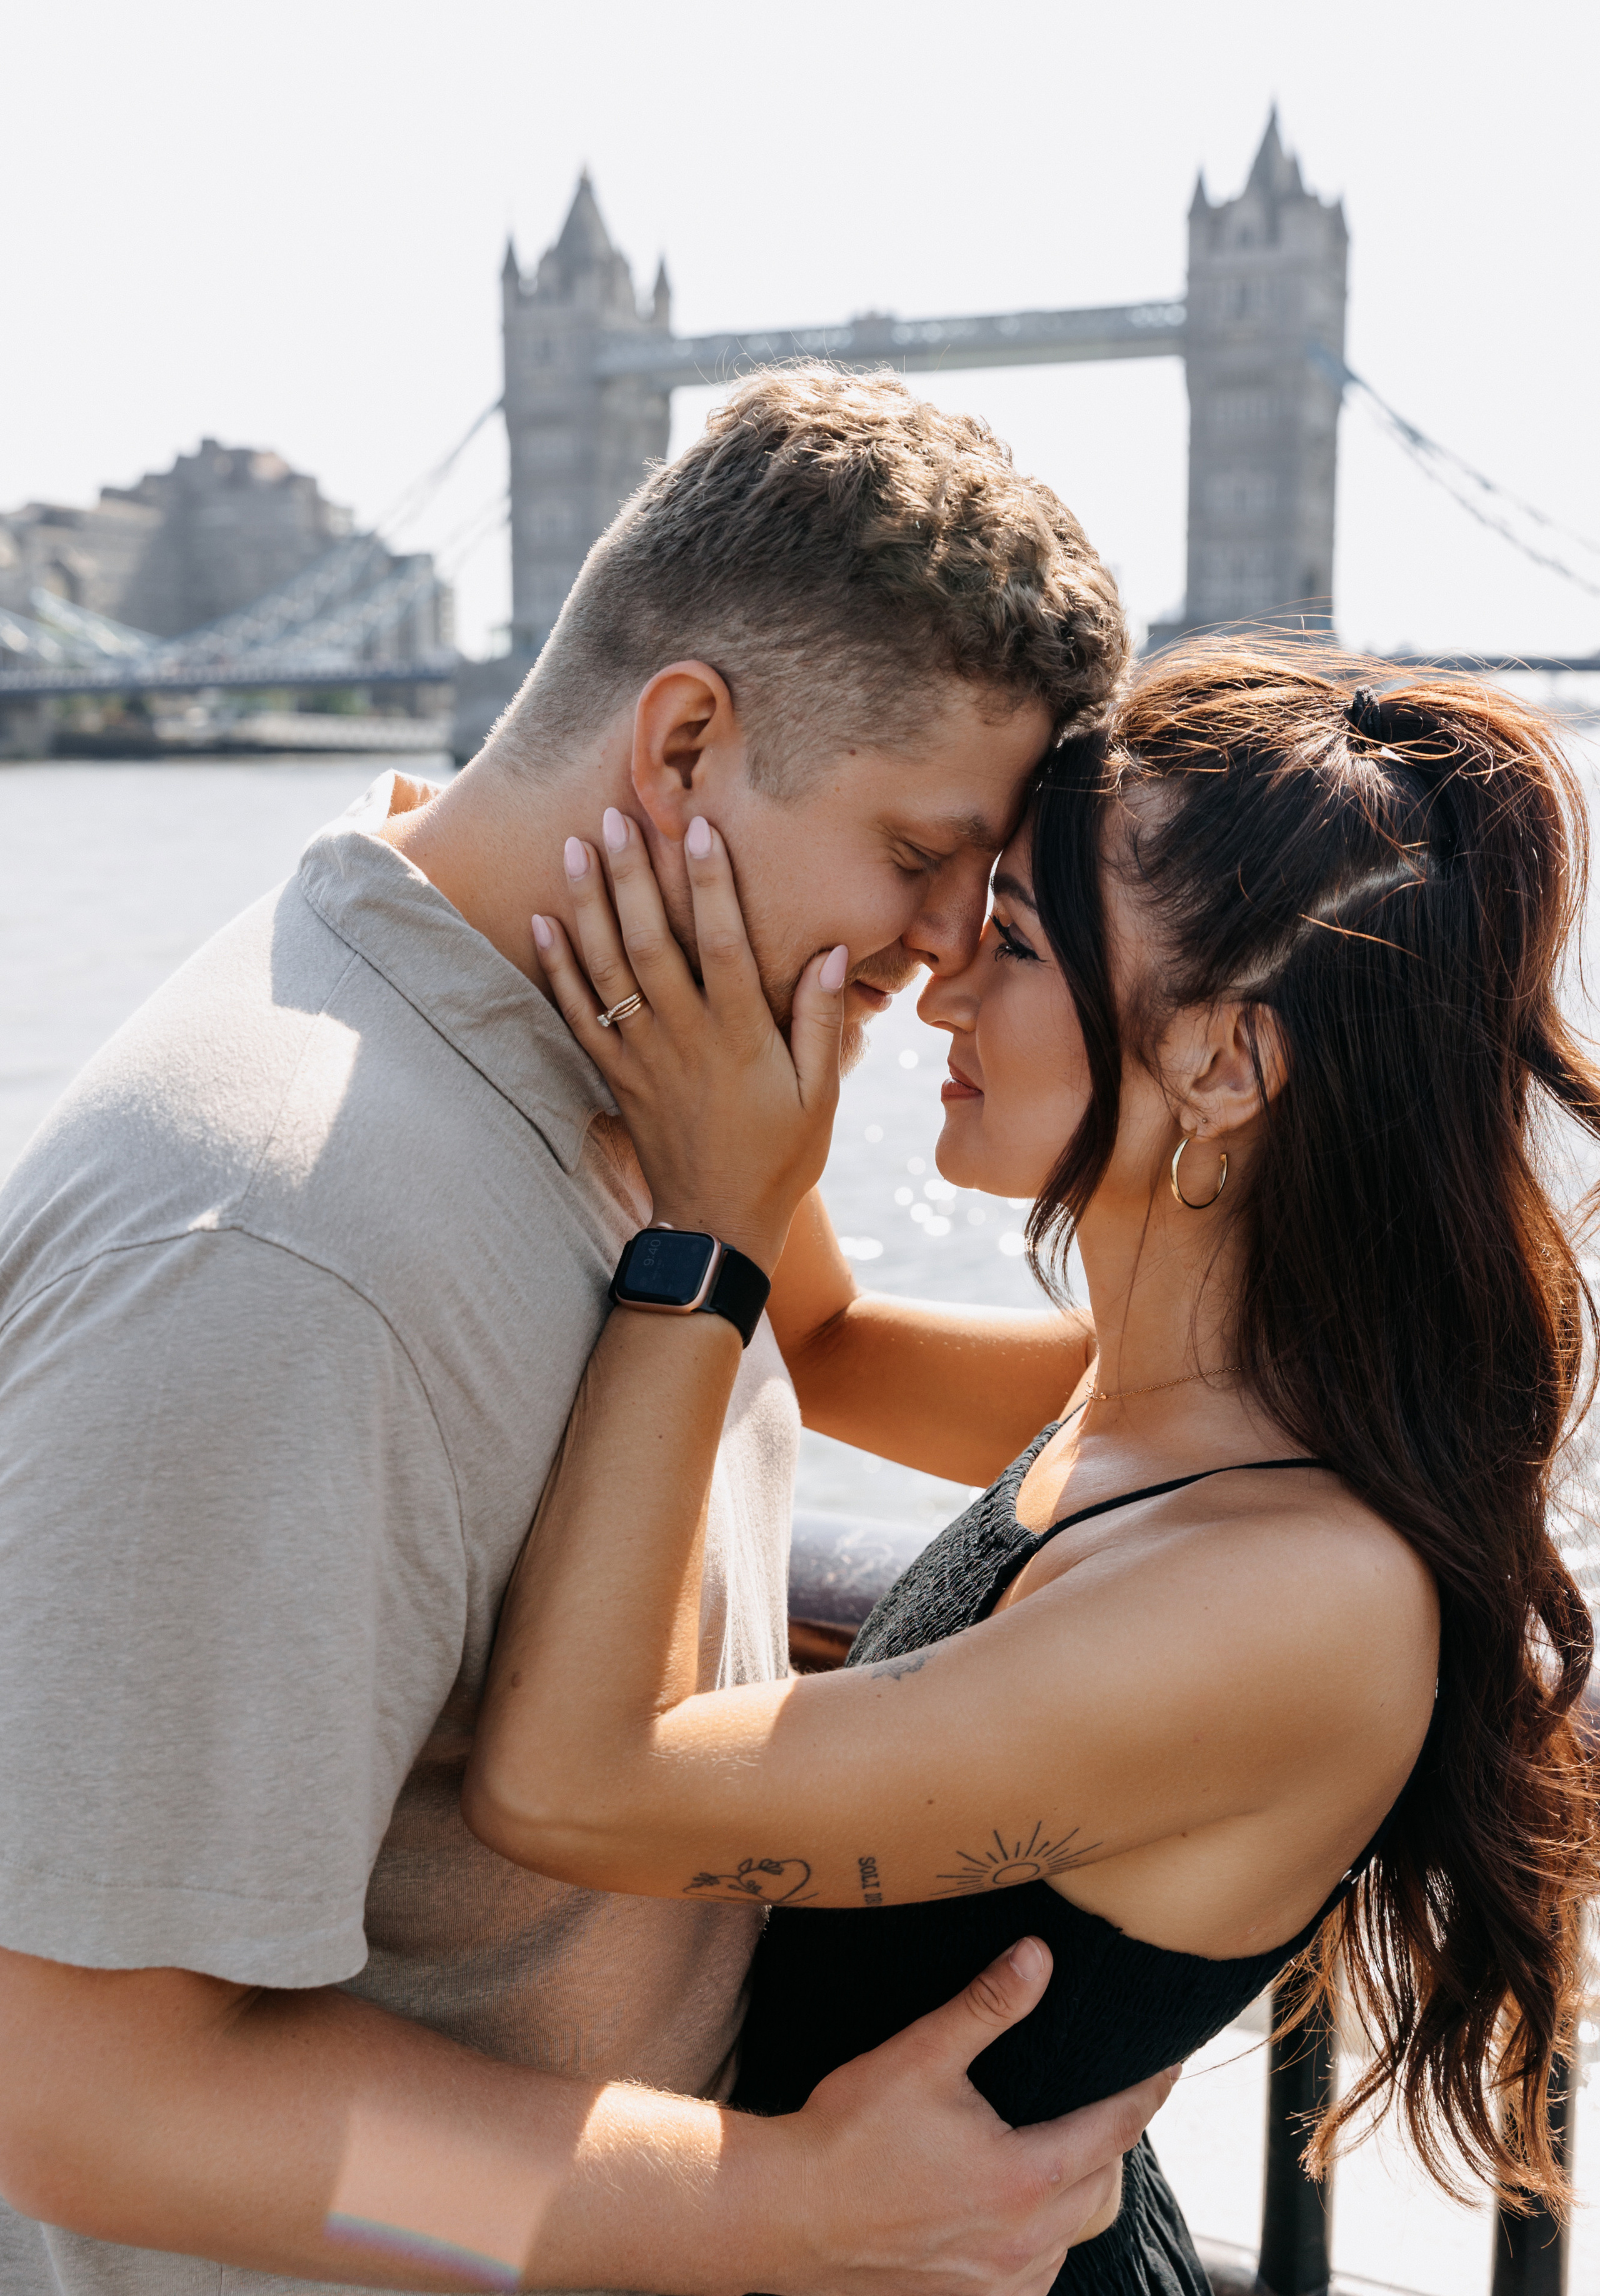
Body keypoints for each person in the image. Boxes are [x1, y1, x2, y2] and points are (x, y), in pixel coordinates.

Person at [0, 367, 1179, 2295]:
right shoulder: (283, 1253)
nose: (957, 945)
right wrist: (773, 2207)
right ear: (687, 741)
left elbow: (887, 1341)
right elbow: (90, 2103)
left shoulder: (627, 1086)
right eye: (916, 856)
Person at [464, 643, 1600, 2293]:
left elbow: (570, 1784)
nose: (941, 987)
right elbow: (837, 1343)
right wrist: (753, 935)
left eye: (1006, 943)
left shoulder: (1286, 1591)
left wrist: (701, 1235)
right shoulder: (1177, 1398)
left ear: (1223, 1063)